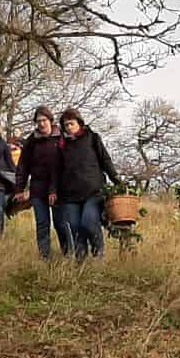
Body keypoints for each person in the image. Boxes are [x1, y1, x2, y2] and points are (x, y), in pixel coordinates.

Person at [52, 107, 118, 260]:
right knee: (74, 227)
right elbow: (56, 171)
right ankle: (81, 261)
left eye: (71, 124)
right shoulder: (62, 146)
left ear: (79, 123)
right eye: (66, 125)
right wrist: (53, 190)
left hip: (94, 191)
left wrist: (117, 180)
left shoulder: (93, 138)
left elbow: (105, 160)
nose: (69, 127)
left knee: (88, 222)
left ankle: (98, 254)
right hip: (70, 195)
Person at [16, 106, 70, 260]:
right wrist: (20, 188)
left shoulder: (61, 137)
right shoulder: (32, 141)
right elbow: (23, 165)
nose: (41, 124)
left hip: (58, 188)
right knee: (42, 224)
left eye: (44, 120)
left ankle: (68, 255)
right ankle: (45, 257)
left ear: (51, 121)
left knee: (61, 224)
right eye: (38, 121)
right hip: (38, 189)